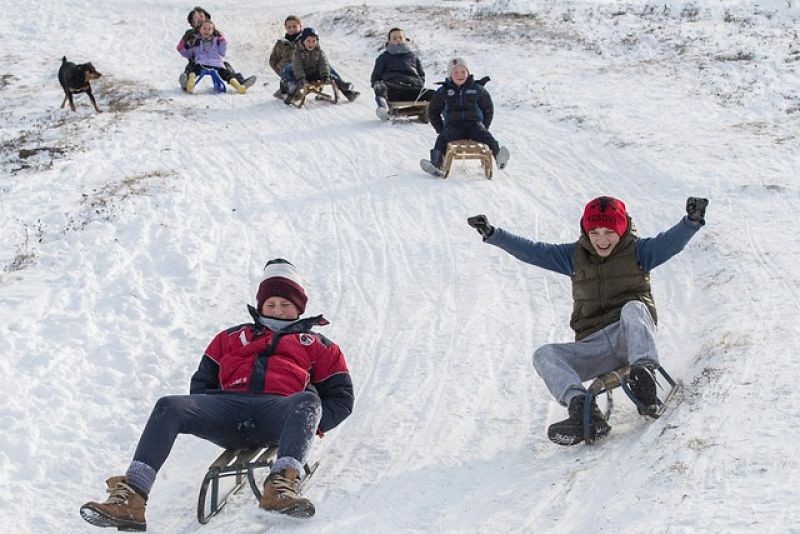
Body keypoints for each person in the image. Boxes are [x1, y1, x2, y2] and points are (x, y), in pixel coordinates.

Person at [79, 259, 355, 530]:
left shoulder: (318, 345)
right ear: (260, 306)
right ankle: (132, 496)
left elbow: (341, 397)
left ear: (298, 308)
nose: (277, 310)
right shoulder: (230, 337)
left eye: (285, 305)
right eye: (270, 304)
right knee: (169, 405)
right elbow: (201, 383)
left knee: (308, 400)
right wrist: (213, 410)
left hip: (278, 414)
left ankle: (281, 486)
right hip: (227, 410)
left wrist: (306, 425)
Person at [467, 196, 708, 445]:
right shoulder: (574, 256)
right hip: (592, 346)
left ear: (622, 228)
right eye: (594, 232)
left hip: (630, 337)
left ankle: (643, 376)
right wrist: (495, 234)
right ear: (585, 230)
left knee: (634, 307)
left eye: (609, 232)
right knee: (544, 355)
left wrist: (691, 222)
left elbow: (670, 243)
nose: (601, 239)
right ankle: (582, 409)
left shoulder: (639, 252)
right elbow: (533, 251)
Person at [420, 58, 510, 176]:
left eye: (463, 71)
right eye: (455, 72)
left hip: (474, 124)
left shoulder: (477, 89)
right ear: (450, 75)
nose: (460, 75)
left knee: (487, 137)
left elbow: (488, 109)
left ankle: (499, 157)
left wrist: (485, 126)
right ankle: (436, 164)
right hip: (454, 126)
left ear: (468, 72)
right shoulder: (443, 91)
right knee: (442, 139)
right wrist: (440, 129)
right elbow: (433, 111)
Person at [177, 6, 255, 91]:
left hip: (215, 60)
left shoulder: (215, 34)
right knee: (191, 67)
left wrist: (222, 41)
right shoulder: (190, 34)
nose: (198, 19)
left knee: (226, 66)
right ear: (192, 22)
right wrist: (183, 47)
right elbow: (186, 50)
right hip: (197, 60)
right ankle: (186, 83)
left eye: (201, 16)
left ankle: (240, 82)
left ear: (207, 18)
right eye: (195, 18)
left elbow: (222, 50)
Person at [280, 27, 360, 103]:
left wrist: (325, 75)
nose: (311, 43)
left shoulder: (318, 50)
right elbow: (298, 67)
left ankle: (345, 89)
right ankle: (286, 86)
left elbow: (323, 63)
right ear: (303, 41)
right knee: (289, 69)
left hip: (312, 73)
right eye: (308, 41)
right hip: (300, 76)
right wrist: (302, 79)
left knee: (329, 69)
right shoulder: (298, 52)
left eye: (313, 41)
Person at [370, 27, 435, 120]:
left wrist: (418, 83)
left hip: (412, 89)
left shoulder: (413, 56)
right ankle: (382, 107)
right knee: (379, 85)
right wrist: (378, 84)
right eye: (394, 38)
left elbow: (421, 74)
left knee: (435, 94)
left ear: (405, 39)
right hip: (393, 90)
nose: (398, 40)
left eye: (400, 38)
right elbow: (375, 77)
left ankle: (432, 112)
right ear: (389, 41)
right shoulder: (383, 58)